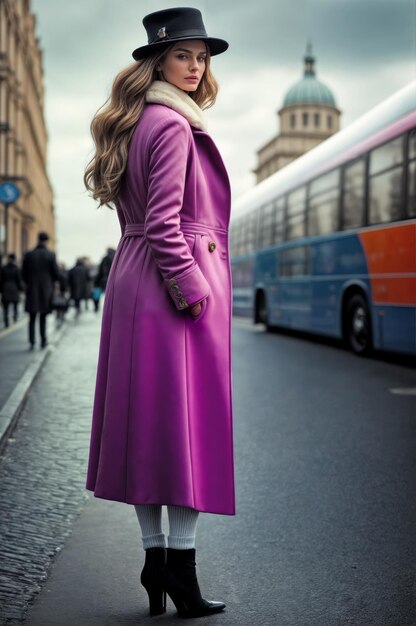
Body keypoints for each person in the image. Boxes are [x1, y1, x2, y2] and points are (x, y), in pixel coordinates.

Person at [84, 7, 235, 619]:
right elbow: (170, 224)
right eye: (184, 56)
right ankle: (184, 576)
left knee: (149, 432)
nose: (196, 67)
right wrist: (193, 290)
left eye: (202, 57)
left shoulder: (135, 122)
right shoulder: (174, 125)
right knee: (187, 432)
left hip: (133, 279)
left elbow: (141, 222)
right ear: (157, 61)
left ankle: (155, 563)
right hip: (172, 285)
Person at [21, 231, 60, 349]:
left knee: (32, 317)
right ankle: (43, 340)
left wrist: (28, 283)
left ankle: (32, 341)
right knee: (43, 316)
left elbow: (23, 273)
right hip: (45, 290)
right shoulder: (50, 255)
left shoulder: (28, 255)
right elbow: (56, 274)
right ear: (47, 241)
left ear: (38, 240)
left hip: (31, 289)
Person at [0, 253, 22, 328]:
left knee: (5, 307)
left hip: (5, 289)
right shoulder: (16, 269)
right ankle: (15, 316)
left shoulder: (4, 268)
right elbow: (19, 280)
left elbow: (1, 280)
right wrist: (20, 289)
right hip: (14, 289)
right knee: (15, 305)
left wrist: (1, 290)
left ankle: (6, 321)